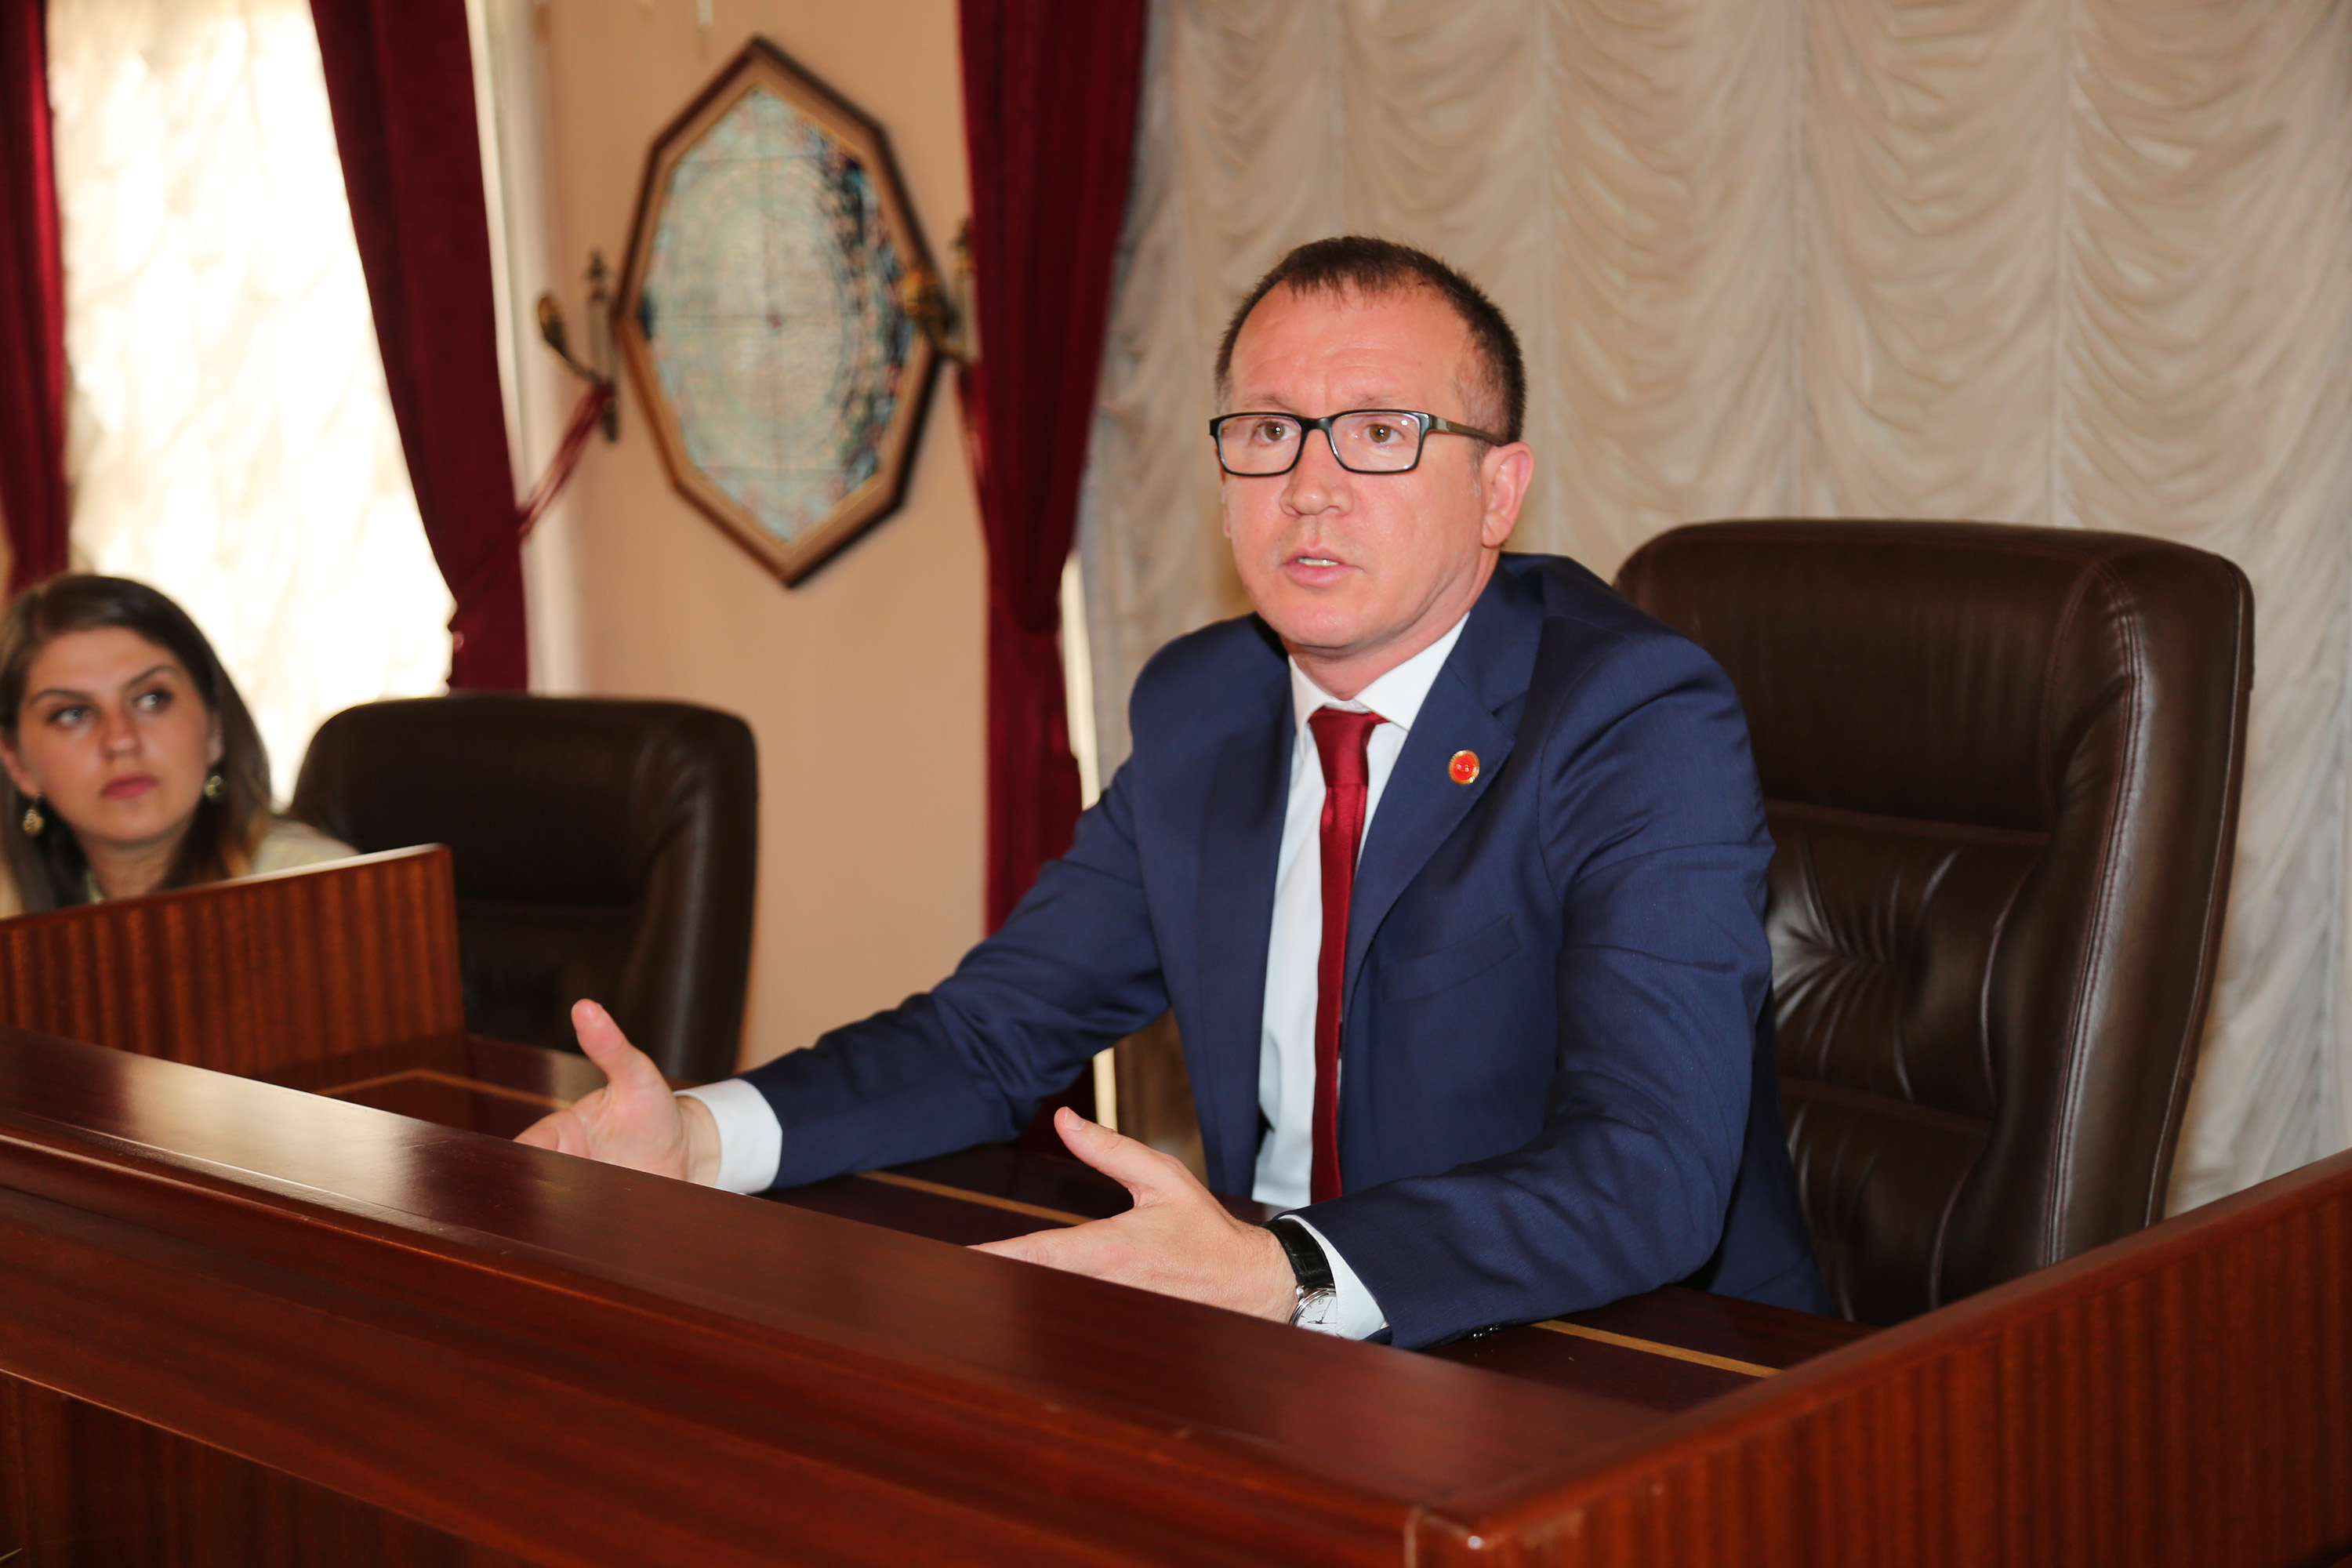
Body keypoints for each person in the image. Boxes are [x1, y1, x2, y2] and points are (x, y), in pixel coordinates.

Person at [520, 236, 1829, 1348]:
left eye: (1380, 434)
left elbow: (1648, 1174)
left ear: (1498, 491)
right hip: (1285, 1352)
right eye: (1268, 433)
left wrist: (1284, 1270)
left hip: (1635, 1363)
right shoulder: (1209, 707)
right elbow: (991, 1036)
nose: (1310, 487)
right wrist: (700, 1137)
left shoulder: (1631, 715)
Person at [0, 574, 353, 919]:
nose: (121, 740)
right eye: (72, 714)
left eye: (152, 699)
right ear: (17, 763)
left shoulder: (324, 890)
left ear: (215, 727)